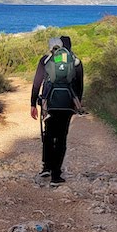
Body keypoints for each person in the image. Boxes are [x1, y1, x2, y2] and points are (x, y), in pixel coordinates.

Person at [30, 35, 84, 186]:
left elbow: (36, 84)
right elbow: (80, 85)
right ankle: (56, 175)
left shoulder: (46, 60)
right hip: (67, 104)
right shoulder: (75, 61)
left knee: (48, 135)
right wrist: (76, 104)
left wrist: (33, 103)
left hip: (50, 103)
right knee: (61, 137)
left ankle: (46, 167)